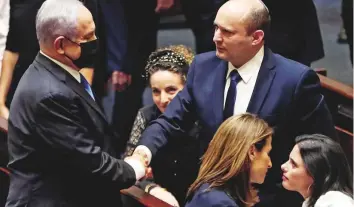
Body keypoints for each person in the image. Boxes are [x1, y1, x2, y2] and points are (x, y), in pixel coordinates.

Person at [131, 0, 336, 206]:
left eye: (227, 32)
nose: (215, 38)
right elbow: (170, 122)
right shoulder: (202, 68)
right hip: (211, 195)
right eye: (216, 28)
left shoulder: (294, 81)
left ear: (256, 37)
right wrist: (142, 154)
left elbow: (321, 148)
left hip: (270, 199)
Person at [6, 1, 146, 206]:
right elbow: (88, 160)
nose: (96, 41)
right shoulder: (50, 95)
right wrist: (133, 169)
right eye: (87, 38)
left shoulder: (55, 72)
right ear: (60, 45)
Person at [124, 45, 199, 206]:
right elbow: (127, 168)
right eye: (156, 91)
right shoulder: (145, 115)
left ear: (187, 89)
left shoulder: (202, 116)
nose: (162, 99)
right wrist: (151, 188)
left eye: (171, 90)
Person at [186, 113, 273, 207]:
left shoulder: (207, 191)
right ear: (252, 152)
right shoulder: (221, 204)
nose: (270, 164)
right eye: (267, 153)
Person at [281, 134, 353, 207]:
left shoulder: (337, 202)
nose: (283, 166)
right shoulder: (312, 202)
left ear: (315, 173)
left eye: (293, 164)